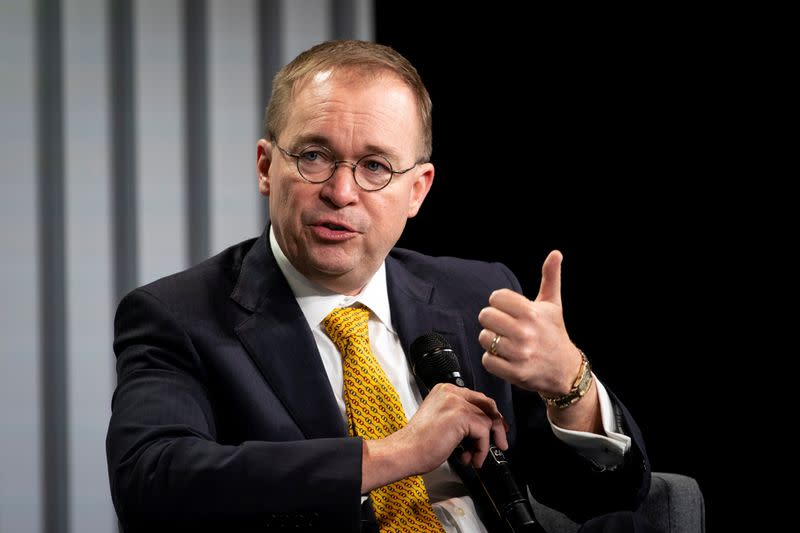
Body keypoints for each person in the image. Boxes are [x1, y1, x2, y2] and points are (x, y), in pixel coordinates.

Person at [106, 40, 660, 533]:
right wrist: (395, 454)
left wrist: (572, 386)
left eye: (374, 166)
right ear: (265, 166)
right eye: (314, 157)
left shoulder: (480, 295)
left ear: (417, 190)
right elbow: (152, 485)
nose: (342, 192)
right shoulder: (177, 315)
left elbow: (610, 498)